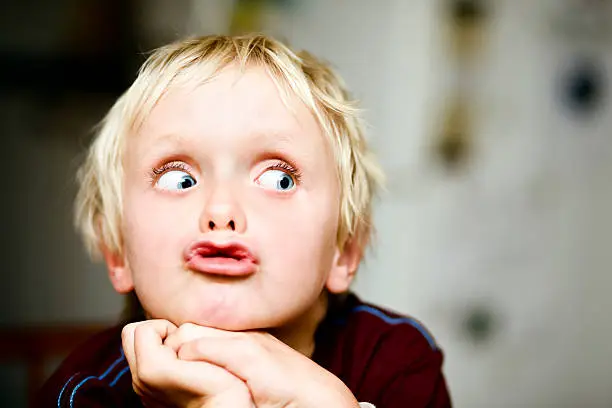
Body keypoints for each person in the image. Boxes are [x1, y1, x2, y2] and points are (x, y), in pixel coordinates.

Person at [35, 33, 451, 407]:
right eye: (180, 179)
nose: (221, 212)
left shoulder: (396, 361)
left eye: (279, 179)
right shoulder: (84, 394)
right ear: (118, 251)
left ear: (344, 251)